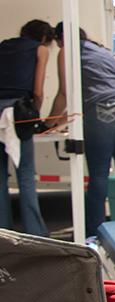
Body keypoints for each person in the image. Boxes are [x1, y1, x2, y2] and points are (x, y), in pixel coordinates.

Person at [49, 23, 115, 237]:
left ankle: (94, 231)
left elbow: (64, 93)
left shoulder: (68, 50)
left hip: (105, 108)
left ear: (61, 38)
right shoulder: (101, 49)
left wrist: (49, 123)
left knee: (99, 172)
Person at [0, 20, 53, 236]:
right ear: (43, 38)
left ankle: (3, 232)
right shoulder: (40, 50)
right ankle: (35, 233)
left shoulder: (2, 46)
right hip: (18, 112)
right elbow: (38, 91)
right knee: (26, 174)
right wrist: (35, 116)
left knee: (0, 175)